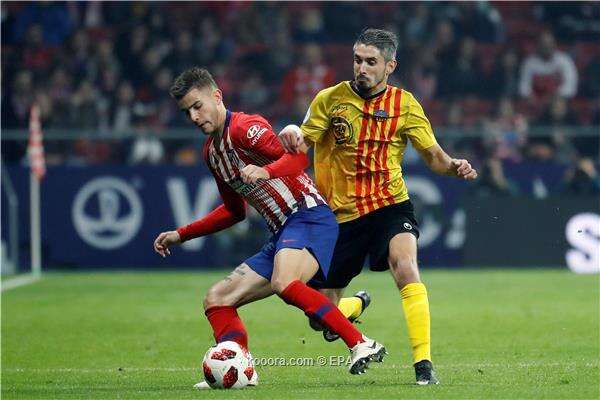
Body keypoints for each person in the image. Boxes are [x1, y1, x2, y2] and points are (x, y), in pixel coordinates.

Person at [153, 67, 386, 390]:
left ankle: (361, 343)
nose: (193, 116)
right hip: (282, 233)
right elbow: (234, 211)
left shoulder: (245, 129)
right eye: (186, 112)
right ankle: (242, 368)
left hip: (308, 214)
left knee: (283, 281)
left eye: (197, 106)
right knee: (217, 299)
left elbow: (299, 160)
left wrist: (266, 171)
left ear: (217, 96)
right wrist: (182, 234)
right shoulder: (212, 154)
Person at [278, 28, 478, 385]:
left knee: (405, 267)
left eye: (371, 62)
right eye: (358, 60)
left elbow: (433, 156)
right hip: (339, 217)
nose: (362, 68)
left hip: (390, 205)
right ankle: (353, 305)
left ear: (389, 66)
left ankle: (424, 366)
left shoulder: (405, 105)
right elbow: (302, 142)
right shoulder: (330, 99)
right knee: (318, 316)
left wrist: (454, 166)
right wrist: (292, 134)